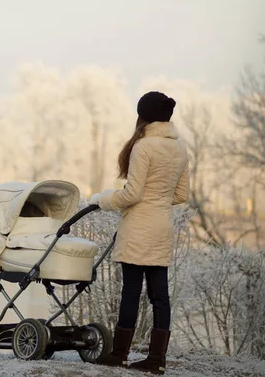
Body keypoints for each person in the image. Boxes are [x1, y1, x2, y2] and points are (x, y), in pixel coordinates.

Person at [87, 91, 189, 375]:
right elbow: (182, 194)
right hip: (162, 227)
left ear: (143, 116)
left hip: (138, 228)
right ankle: (157, 360)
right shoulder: (180, 148)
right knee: (160, 296)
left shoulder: (143, 147)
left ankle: (119, 354)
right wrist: (158, 200)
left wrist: (104, 200)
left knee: (130, 292)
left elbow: (131, 195)